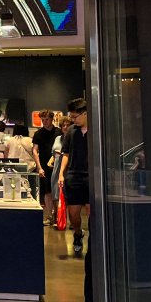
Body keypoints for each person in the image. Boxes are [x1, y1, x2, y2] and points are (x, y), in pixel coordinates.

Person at [58, 98, 90, 255]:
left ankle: (94, 243)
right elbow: (65, 154)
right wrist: (61, 174)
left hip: (92, 177)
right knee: (74, 215)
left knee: (93, 214)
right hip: (73, 176)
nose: (72, 120)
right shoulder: (71, 131)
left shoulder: (97, 129)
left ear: (85, 114)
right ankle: (78, 234)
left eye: (75, 116)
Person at [31, 111, 60, 226]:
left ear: (52, 119)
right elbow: (34, 150)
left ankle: (58, 215)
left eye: (46, 119)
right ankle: (49, 216)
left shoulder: (58, 132)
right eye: (43, 120)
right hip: (44, 164)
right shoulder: (38, 133)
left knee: (58, 191)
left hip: (57, 164)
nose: (44, 122)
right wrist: (39, 167)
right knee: (47, 191)